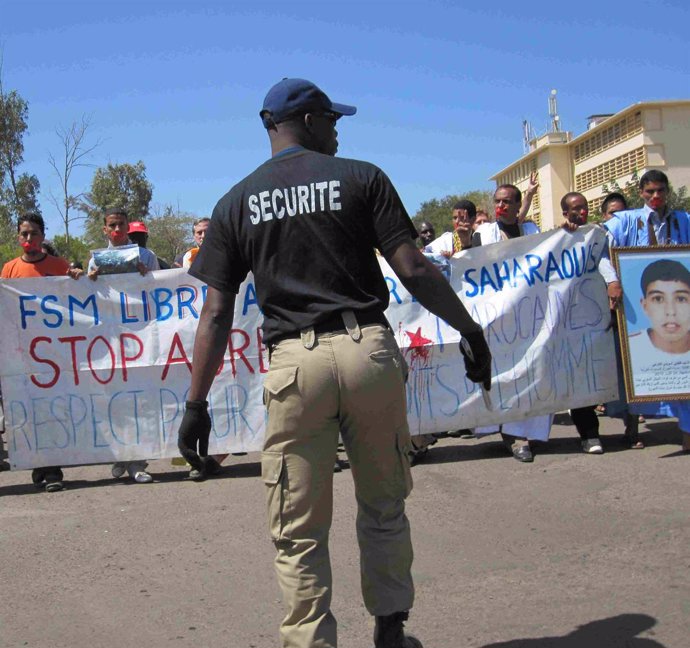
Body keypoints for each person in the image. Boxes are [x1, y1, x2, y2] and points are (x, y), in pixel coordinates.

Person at [177, 78, 491, 648]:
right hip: (368, 352)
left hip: (294, 366)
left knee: (296, 526)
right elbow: (414, 271)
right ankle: (391, 631)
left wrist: (195, 404)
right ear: (310, 121)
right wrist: (470, 330)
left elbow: (216, 314)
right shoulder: (362, 178)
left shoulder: (235, 202)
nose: (339, 129)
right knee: (383, 502)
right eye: (333, 119)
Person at [603, 169, 690, 452]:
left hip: (679, 302)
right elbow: (600, 251)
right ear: (640, 192)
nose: (655, 196)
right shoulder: (626, 221)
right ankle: (632, 428)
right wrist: (613, 281)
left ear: (667, 191)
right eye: (649, 191)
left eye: (660, 191)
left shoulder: (683, 220)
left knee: (683, 364)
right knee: (634, 365)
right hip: (636, 304)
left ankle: (687, 432)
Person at [1, 212, 83, 491]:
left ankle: (52, 471)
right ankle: (40, 465)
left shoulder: (59, 265)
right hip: (24, 355)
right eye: (24, 234)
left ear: (42, 236)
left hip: (56, 354)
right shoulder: (9, 270)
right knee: (30, 413)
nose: (28, 239)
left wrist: (78, 277)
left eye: (33, 233)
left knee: (53, 410)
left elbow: (80, 297)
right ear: (18, 237)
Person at [471, 184, 551, 462]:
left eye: (507, 202)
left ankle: (525, 430)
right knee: (503, 374)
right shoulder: (483, 234)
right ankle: (513, 435)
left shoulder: (532, 232)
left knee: (530, 371)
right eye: (497, 201)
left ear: (519, 206)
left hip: (529, 315)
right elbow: (472, 267)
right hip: (497, 317)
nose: (501, 206)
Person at [88, 207, 159, 481]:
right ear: (105, 229)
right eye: (112, 226)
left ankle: (137, 462)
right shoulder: (96, 259)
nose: (117, 231)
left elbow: (161, 289)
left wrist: (146, 276)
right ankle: (120, 457)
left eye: (121, 225)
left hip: (139, 336)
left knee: (139, 399)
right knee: (114, 399)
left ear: (128, 227)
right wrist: (89, 278)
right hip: (110, 338)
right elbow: (88, 295)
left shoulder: (146, 256)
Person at [628, 260, 690, 393]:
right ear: (644, 306)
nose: (671, 311)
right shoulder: (630, 348)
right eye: (658, 299)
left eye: (680, 299)